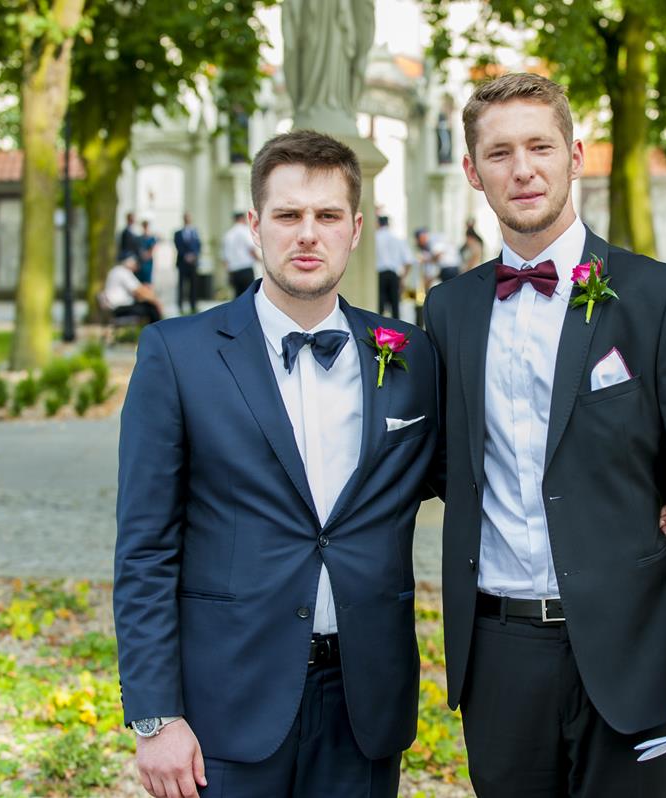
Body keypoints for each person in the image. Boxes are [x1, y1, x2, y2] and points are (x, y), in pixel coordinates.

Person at [423, 73, 666, 798]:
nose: (523, 169)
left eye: (540, 146)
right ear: (473, 172)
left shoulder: (662, 298)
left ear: (575, 156)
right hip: (498, 651)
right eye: (501, 153)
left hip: (635, 643)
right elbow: (443, 462)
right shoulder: (447, 310)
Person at [114, 130, 441, 798]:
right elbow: (145, 547)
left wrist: (653, 496)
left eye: (327, 216)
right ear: (256, 225)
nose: (307, 234)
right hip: (226, 700)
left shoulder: (411, 355)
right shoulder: (177, 354)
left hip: (364, 701)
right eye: (288, 215)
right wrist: (156, 716)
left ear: (355, 230)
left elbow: (471, 478)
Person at [104, 255, 163, 325]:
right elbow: (140, 291)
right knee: (151, 308)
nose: (137, 267)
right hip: (120, 307)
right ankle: (158, 329)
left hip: (115, 307)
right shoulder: (124, 272)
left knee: (147, 306)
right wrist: (157, 302)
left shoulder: (116, 270)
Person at [374, 214, 412, 318]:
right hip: (394, 275)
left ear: (378, 224)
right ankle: (396, 327)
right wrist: (403, 279)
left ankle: (378, 327)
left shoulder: (375, 238)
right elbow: (408, 261)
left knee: (380, 306)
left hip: (380, 275)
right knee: (395, 306)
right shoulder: (398, 239)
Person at [223, 211, 260, 298]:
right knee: (248, 296)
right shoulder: (244, 231)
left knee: (237, 296)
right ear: (242, 218)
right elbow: (251, 249)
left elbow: (225, 257)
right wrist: (259, 259)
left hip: (233, 270)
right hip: (245, 268)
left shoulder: (228, 234)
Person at [174, 213, 202, 315]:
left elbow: (199, 245)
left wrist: (194, 255)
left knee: (193, 285)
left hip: (193, 263)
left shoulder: (195, 232)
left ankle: (193, 305)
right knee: (181, 285)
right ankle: (180, 306)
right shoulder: (178, 233)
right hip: (182, 263)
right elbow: (177, 245)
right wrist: (185, 256)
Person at [138, 220, 158, 286]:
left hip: (148, 260)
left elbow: (153, 247)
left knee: (147, 278)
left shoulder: (151, 237)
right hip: (142, 260)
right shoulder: (140, 237)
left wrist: (148, 254)